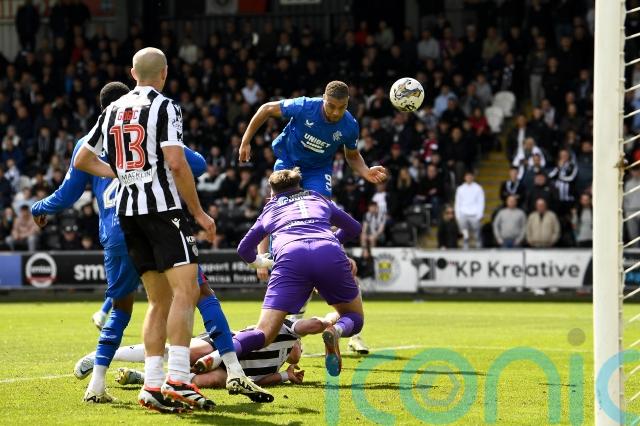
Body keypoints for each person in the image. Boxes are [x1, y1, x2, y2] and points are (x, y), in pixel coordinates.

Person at [36, 81, 270, 408]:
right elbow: (196, 165)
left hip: (117, 233)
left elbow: (68, 193)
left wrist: (39, 207)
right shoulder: (149, 125)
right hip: (153, 221)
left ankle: (98, 383)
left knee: (124, 309)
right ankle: (228, 370)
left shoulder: (88, 141)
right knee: (197, 292)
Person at [239, 80, 386, 354]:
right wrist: (246, 140)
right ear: (323, 99)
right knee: (279, 213)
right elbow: (267, 108)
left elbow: (353, 155)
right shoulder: (305, 106)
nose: (335, 112)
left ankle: (331, 256)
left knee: (319, 216)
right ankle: (279, 267)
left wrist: (365, 171)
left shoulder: (349, 125)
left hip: (318, 172)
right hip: (288, 164)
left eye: (341, 108)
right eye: (331, 106)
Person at [231, 168, 364, 377]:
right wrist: (329, 241)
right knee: (353, 316)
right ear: (298, 186)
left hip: (291, 258)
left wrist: (261, 262)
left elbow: (243, 249)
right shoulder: (317, 197)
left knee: (264, 333)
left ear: (272, 191)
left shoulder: (271, 207)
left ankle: (217, 357)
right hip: (328, 253)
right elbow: (354, 228)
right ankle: (335, 330)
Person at [454, 171, 485, 249]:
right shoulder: (460, 189)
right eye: (467, 177)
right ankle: (465, 245)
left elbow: (481, 202)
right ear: (465, 178)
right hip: (463, 214)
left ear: (473, 177)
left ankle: (478, 245)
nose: (469, 178)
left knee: (477, 233)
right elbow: (457, 203)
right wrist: (458, 215)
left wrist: (479, 215)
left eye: (470, 176)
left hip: (474, 215)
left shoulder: (478, 188)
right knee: (465, 233)